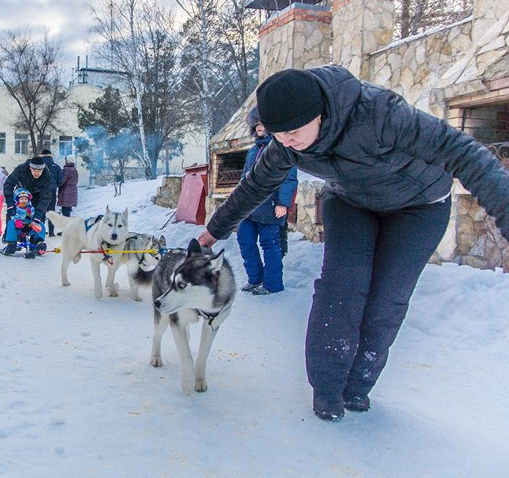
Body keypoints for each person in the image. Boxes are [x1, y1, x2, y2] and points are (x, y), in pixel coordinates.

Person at [197, 65, 509, 422]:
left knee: (386, 297)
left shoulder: (380, 113)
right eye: (278, 135)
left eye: (293, 133)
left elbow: (467, 155)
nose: (286, 142)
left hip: (419, 206)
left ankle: (358, 386)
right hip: (351, 203)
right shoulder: (287, 143)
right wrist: (213, 232)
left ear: (318, 114)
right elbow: (255, 185)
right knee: (341, 287)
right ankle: (327, 390)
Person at [237, 106, 298, 295]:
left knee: (270, 245)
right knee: (244, 240)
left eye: (262, 123)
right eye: (255, 123)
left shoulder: (281, 147)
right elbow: (245, 177)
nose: (258, 127)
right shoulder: (252, 151)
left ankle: (273, 284)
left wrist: (283, 203)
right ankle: (255, 279)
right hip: (249, 207)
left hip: (270, 206)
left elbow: (289, 177)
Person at [2, 155, 52, 248]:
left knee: (38, 216)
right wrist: (10, 203)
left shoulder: (47, 175)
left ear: (43, 169)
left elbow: (46, 197)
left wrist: (38, 215)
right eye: (34, 170)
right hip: (22, 192)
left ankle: (36, 240)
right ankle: (10, 238)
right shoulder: (21, 169)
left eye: (39, 171)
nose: (36, 173)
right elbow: (8, 184)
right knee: (13, 212)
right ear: (30, 167)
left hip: (37, 193)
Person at [1, 188, 44, 258]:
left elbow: (33, 216)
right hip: (18, 229)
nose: (24, 201)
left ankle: (38, 242)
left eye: (26, 199)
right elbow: (13, 215)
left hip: (28, 228)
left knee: (40, 224)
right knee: (11, 223)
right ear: (18, 200)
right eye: (22, 199)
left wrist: (34, 222)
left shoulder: (30, 209)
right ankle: (11, 243)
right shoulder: (15, 208)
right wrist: (17, 221)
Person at [40, 149, 64, 235]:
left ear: (42, 155)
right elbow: (61, 180)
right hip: (52, 191)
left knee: (41, 210)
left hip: (41, 191)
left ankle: (41, 231)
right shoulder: (56, 166)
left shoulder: (39, 166)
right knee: (51, 211)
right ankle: (51, 232)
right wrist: (55, 185)